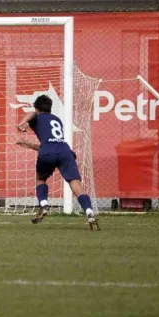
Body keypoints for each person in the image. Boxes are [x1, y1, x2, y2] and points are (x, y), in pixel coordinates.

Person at [16, 95, 100, 230]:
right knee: (75, 184)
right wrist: (29, 144)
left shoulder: (35, 115)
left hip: (48, 153)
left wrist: (23, 123)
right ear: (50, 108)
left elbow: (31, 114)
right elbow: (52, 143)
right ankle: (89, 211)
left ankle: (43, 205)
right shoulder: (57, 120)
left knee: (41, 179)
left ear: (37, 108)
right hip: (65, 152)